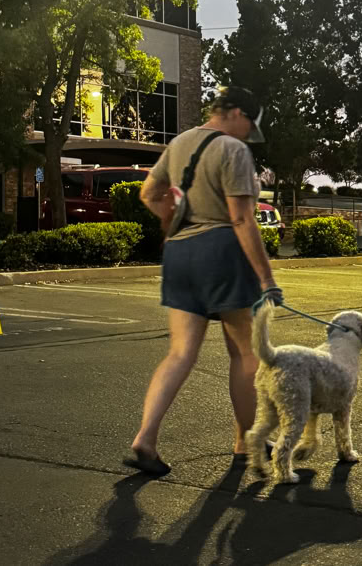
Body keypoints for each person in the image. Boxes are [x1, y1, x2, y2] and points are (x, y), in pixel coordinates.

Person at [125, 86, 283, 476]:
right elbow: (243, 219)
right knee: (245, 353)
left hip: (180, 253)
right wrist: (267, 279)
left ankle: (145, 438)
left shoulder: (179, 143)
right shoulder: (233, 151)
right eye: (250, 126)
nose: (249, 135)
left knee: (180, 353)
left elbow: (148, 193)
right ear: (236, 113)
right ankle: (247, 443)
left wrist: (174, 217)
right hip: (221, 252)